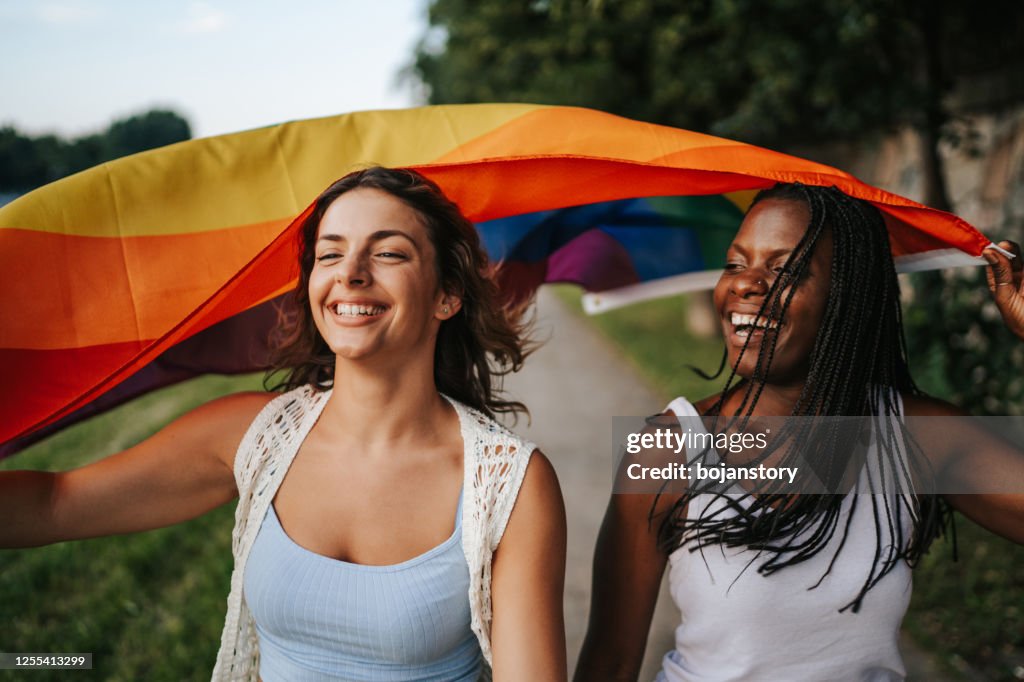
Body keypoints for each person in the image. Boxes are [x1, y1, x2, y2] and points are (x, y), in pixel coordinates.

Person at [0, 167, 568, 682]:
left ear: (447, 295)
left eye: (389, 254)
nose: (351, 274)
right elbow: (56, 503)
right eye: (329, 254)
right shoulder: (253, 435)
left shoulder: (510, 484)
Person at [574, 183, 1024, 682]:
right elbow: (610, 664)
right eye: (734, 264)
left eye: (783, 269)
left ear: (846, 297)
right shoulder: (669, 448)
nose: (745, 284)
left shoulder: (915, 436)